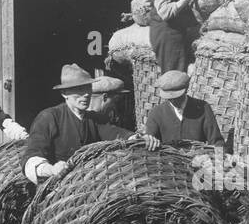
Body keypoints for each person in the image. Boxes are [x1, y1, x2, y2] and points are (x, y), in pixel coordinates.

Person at [21, 64, 158, 184]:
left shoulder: (94, 119)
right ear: (64, 93)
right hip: (55, 189)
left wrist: (140, 138)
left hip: (86, 188)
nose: (86, 94)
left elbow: (116, 133)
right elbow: (32, 157)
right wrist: (51, 169)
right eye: (79, 89)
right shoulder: (49, 117)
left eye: (87, 88)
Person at [145, 70, 225, 146]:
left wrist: (218, 159)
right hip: (167, 158)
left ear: (186, 90)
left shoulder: (203, 108)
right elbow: (149, 139)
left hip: (198, 158)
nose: (173, 101)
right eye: (169, 98)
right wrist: (147, 139)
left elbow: (217, 142)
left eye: (177, 97)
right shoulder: (156, 113)